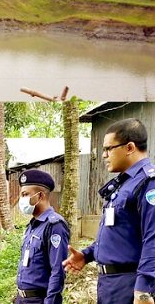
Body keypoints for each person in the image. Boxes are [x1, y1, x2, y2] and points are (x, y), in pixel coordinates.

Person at [63, 118, 155, 304]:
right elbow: (120, 234)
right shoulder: (124, 184)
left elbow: (153, 238)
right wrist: (87, 254)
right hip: (110, 286)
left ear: (130, 147)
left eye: (108, 149)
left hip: (131, 285)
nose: (104, 155)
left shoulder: (148, 183)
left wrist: (143, 290)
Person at [14, 169, 70, 304]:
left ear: (41, 196)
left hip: (39, 299)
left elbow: (58, 270)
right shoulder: (32, 226)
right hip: (22, 299)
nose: (22, 199)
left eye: (25, 194)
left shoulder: (54, 225)